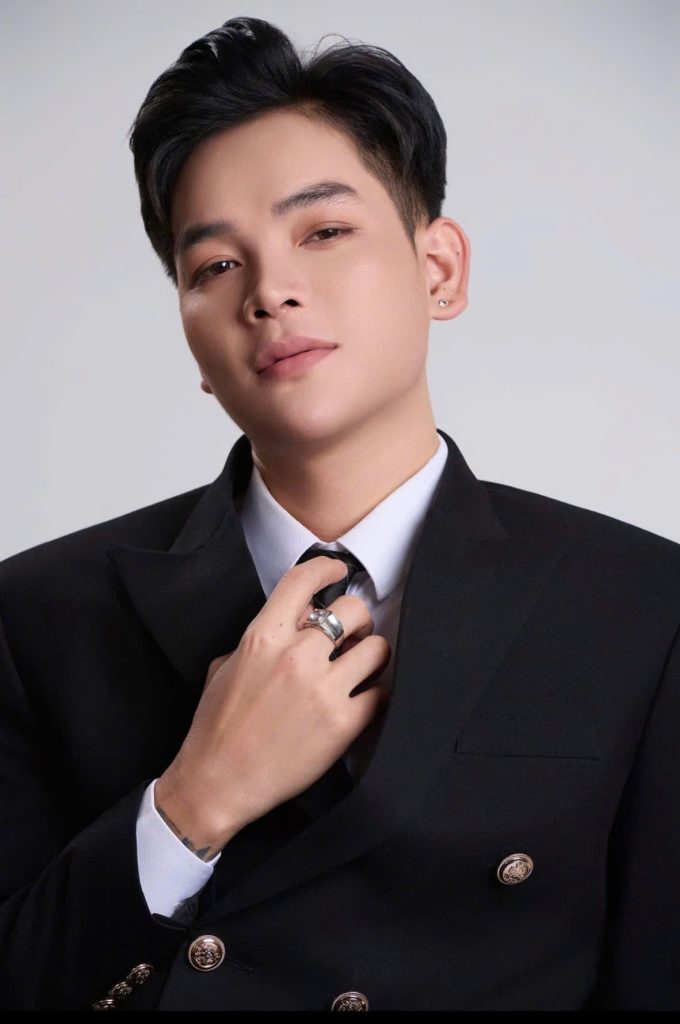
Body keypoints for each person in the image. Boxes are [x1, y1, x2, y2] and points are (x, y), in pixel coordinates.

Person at [0, 14, 678, 1012]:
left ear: (438, 269)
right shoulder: (36, 616)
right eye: (215, 266)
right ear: (192, 339)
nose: (270, 291)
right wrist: (193, 803)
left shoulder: (641, 604)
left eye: (323, 232)